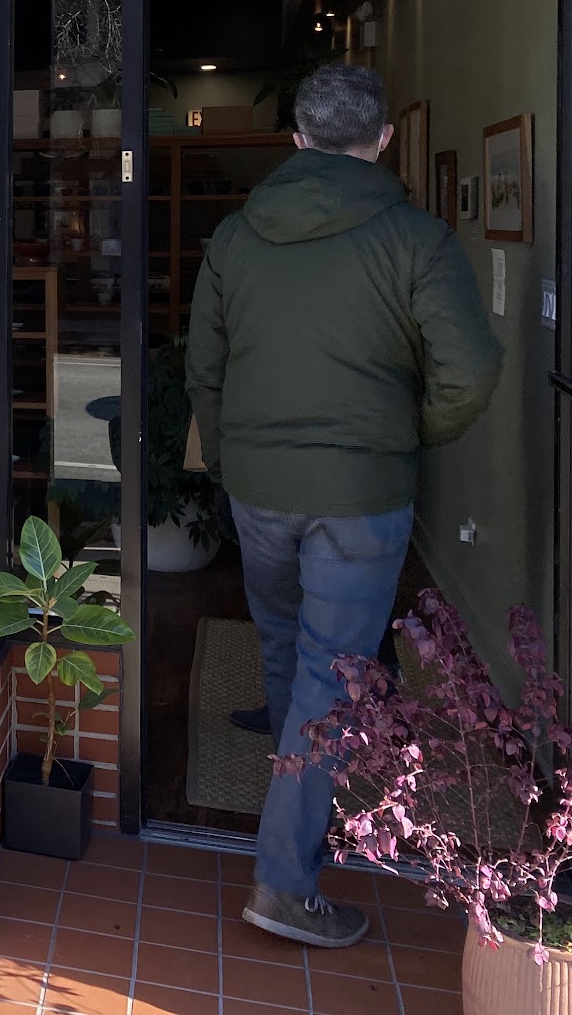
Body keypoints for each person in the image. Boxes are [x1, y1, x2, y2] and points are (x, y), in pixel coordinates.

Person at [185, 64, 502, 949]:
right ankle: (284, 883)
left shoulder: (236, 238)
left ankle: (293, 793)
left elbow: (204, 368)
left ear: (296, 140)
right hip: (361, 495)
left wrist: (233, 453)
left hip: (258, 486)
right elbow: (471, 371)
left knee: (285, 646)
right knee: (331, 677)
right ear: (383, 139)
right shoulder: (417, 239)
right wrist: (405, 435)